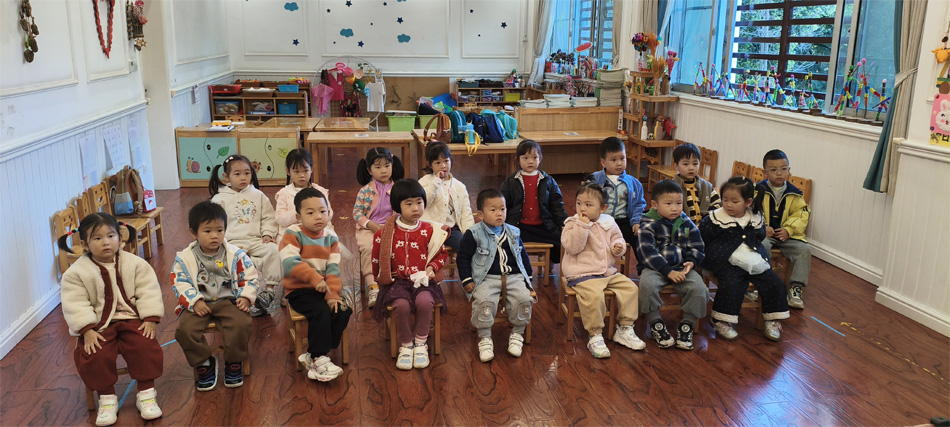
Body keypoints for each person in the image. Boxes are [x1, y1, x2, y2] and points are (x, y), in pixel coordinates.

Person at [58, 213, 164, 426]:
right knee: (94, 353)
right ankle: (106, 399)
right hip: (98, 324)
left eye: (111, 236)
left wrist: (150, 317)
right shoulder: (76, 273)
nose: (106, 242)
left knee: (144, 345)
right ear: (85, 244)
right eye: (97, 238)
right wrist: (87, 330)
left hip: (132, 318)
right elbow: (75, 303)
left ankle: (146, 394)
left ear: (120, 238)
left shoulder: (135, 264)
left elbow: (148, 290)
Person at [172, 201, 258, 391]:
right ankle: (204, 362)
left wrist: (245, 296)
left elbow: (249, 276)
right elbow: (179, 282)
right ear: (194, 233)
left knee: (241, 323)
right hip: (198, 303)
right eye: (207, 231)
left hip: (228, 300)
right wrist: (194, 301)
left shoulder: (235, 254)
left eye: (220, 230)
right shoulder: (185, 258)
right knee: (185, 331)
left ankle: (234, 362)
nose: (214, 236)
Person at [561, 180, 646, 358]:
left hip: (606, 272)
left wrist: (618, 247)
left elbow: (618, 239)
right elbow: (573, 247)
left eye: (588, 205)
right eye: (579, 203)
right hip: (581, 273)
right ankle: (595, 335)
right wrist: (582, 226)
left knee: (630, 288)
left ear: (602, 208)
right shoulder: (572, 223)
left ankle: (625, 328)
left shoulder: (609, 223)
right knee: (593, 296)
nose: (582, 208)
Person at [699, 177, 790, 341]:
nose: (728, 205)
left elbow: (760, 236)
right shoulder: (714, 219)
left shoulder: (755, 217)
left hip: (753, 258)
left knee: (774, 282)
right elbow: (704, 237)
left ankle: (772, 320)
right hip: (725, 261)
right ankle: (720, 320)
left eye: (734, 201)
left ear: (748, 202)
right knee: (732, 284)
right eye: (725, 200)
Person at [371, 179, 448, 370]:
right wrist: (381, 278)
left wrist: (431, 268)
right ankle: (406, 344)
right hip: (396, 282)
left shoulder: (430, 230)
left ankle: (421, 342)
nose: (415, 208)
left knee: (425, 302)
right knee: (401, 305)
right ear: (397, 206)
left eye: (419, 202)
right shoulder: (385, 233)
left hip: (423, 280)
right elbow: (376, 261)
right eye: (409, 204)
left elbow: (441, 254)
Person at [279, 188, 352, 382]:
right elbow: (290, 263)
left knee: (342, 309)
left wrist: (333, 294)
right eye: (310, 213)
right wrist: (315, 278)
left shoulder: (331, 237)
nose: (318, 216)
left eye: (322, 211)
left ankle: (314, 354)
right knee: (321, 311)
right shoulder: (292, 233)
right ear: (299, 216)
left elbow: (333, 269)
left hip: (323, 287)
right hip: (299, 290)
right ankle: (319, 358)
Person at [456, 188, 534, 362]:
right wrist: (466, 279)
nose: (499, 213)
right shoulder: (474, 233)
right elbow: (463, 257)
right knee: (484, 301)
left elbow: (522, 255)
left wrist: (528, 277)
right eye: (493, 210)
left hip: (513, 276)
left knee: (523, 299)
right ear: (480, 215)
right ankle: (484, 338)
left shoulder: (514, 232)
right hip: (486, 278)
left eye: (502, 209)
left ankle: (517, 334)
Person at [634, 180, 707, 351]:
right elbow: (646, 252)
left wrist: (691, 262)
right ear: (655, 204)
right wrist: (667, 271)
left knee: (700, 289)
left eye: (678, 203)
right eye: (668, 204)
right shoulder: (647, 224)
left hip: (682, 267)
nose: (675, 208)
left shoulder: (686, 222)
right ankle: (655, 323)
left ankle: (687, 325)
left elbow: (697, 246)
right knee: (647, 286)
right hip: (655, 268)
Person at [209, 154, 281, 316]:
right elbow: (213, 225)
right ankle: (237, 296)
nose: (243, 177)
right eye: (237, 174)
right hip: (231, 243)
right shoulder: (219, 199)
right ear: (226, 176)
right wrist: (221, 242)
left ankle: (268, 292)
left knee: (274, 251)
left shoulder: (258, 195)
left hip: (256, 240)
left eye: (247, 173)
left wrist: (267, 234)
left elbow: (268, 217)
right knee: (226, 264)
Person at [758, 149, 811, 309]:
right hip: (764, 234)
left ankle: (796, 288)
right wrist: (762, 227)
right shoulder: (757, 191)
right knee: (762, 246)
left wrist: (788, 230)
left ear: (789, 170)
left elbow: (801, 215)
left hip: (787, 236)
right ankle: (760, 282)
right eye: (773, 170)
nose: (779, 173)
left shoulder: (795, 194)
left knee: (803, 250)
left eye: (783, 169)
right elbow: (750, 212)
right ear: (765, 172)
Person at [500, 140, 568, 263]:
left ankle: (550, 261)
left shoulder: (548, 180)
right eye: (525, 158)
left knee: (563, 241)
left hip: (543, 227)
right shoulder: (511, 181)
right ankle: (513, 267)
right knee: (504, 244)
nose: (530, 161)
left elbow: (557, 205)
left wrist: (565, 225)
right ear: (518, 160)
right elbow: (503, 205)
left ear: (540, 158)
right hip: (519, 227)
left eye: (534, 157)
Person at [353, 147, 405, 308]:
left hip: (393, 226)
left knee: (400, 247)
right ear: (369, 170)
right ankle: (373, 286)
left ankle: (397, 281)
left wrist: (393, 224)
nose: (383, 171)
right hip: (369, 228)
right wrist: (370, 224)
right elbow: (357, 213)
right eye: (378, 167)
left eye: (387, 166)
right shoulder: (365, 190)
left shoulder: (398, 188)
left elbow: (402, 210)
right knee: (369, 247)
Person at [589, 137, 647, 247]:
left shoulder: (634, 183)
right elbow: (586, 200)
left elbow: (639, 205)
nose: (619, 163)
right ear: (603, 162)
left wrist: (636, 221)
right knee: (592, 242)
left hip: (624, 222)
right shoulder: (594, 179)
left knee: (641, 240)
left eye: (622, 158)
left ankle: (646, 259)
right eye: (613, 160)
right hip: (600, 221)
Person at [418, 142, 475, 251]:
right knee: (423, 249)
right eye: (437, 163)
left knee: (465, 247)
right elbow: (424, 202)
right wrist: (436, 182)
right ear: (430, 164)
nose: (443, 166)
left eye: (446, 161)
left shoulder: (459, 186)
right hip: (430, 229)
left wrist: (469, 234)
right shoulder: (424, 182)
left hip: (451, 230)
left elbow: (465, 213)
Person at [275, 149, 334, 242]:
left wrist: (315, 215)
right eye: (296, 171)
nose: (302, 175)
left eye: (306, 171)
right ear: (288, 171)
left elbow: (329, 213)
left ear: (311, 169)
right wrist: (300, 211)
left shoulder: (320, 191)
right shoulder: (284, 193)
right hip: (292, 235)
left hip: (317, 232)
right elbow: (280, 219)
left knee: (332, 245)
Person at [671, 143, 721, 223]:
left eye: (695, 164)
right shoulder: (671, 187)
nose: (691, 168)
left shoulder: (706, 186)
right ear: (676, 166)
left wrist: (708, 219)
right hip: (682, 227)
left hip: (705, 226)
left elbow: (717, 204)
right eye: (685, 164)